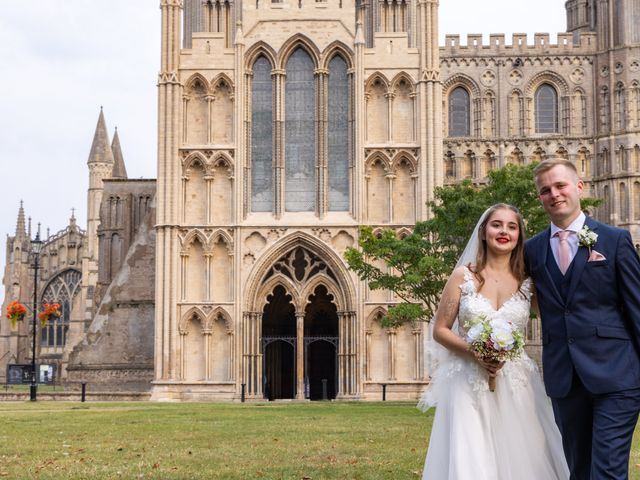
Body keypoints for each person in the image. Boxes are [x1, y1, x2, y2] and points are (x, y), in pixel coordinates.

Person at [420, 203, 569, 480]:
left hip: (516, 381)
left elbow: (559, 316)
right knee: (471, 455)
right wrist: (476, 352)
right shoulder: (463, 276)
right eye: (497, 225)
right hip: (468, 382)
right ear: (484, 232)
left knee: (525, 455)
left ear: (519, 236)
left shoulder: (528, 283)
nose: (504, 231)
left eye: (512, 227)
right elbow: (440, 330)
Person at [525, 158, 640, 479]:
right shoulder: (532, 250)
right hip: (564, 380)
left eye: (560, 185)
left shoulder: (614, 240)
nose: (554, 194)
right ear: (540, 198)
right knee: (578, 470)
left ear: (579, 187)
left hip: (617, 378)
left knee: (607, 471)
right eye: (545, 190)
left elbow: (637, 308)